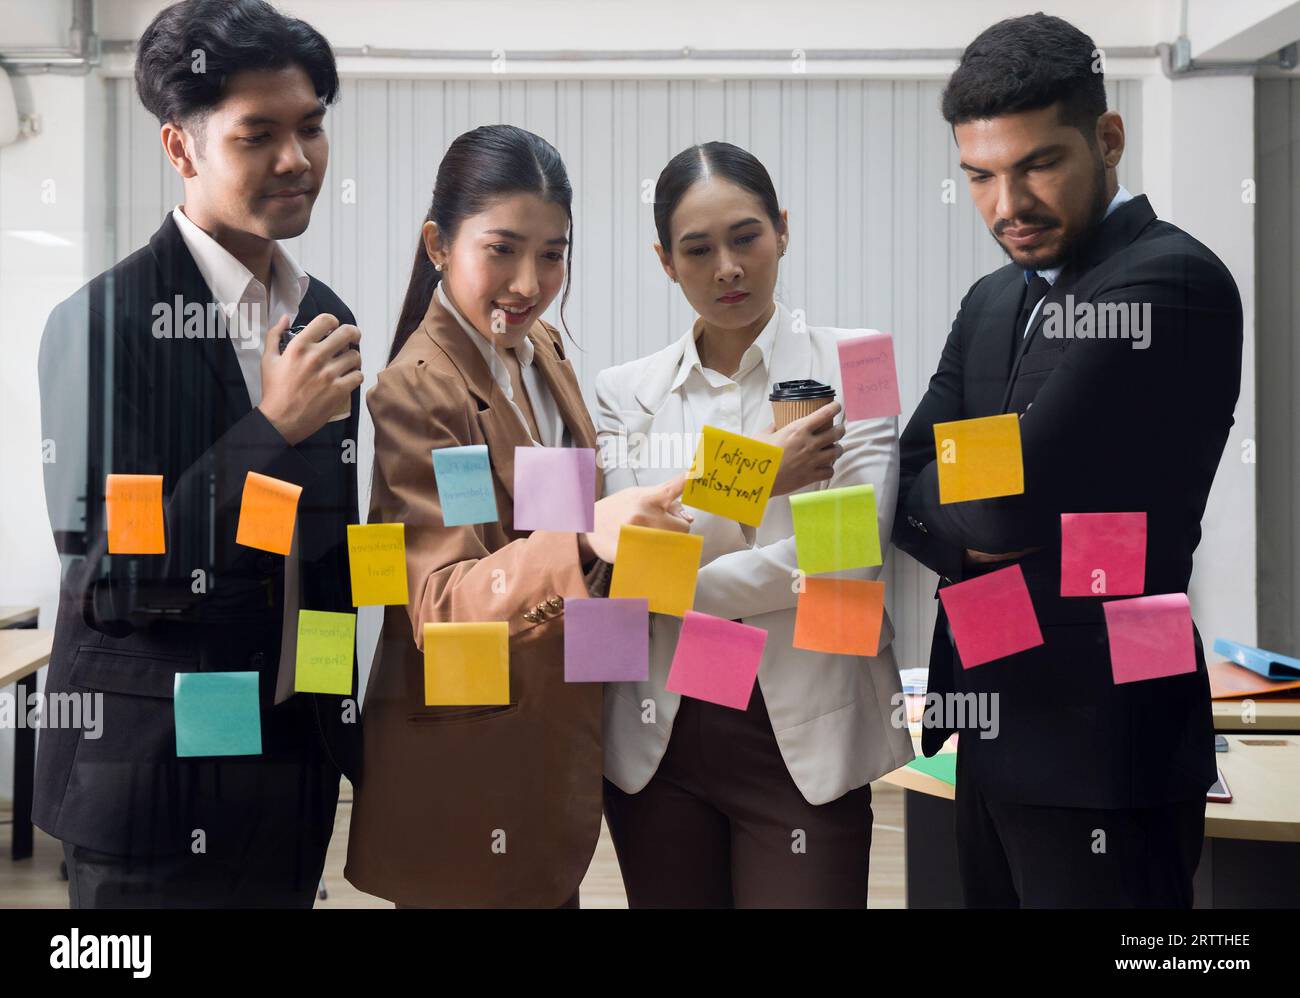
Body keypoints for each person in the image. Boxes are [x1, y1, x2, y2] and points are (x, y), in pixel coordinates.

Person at [893, 13, 1242, 907]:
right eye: (979, 176)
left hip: (1112, 734)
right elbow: (909, 486)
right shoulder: (991, 299)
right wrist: (995, 480)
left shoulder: (1167, 282)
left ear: (1108, 138)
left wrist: (986, 487)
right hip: (992, 721)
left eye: (1037, 164)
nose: (1007, 206)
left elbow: (1006, 504)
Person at [36, 0, 363, 908]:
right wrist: (271, 427)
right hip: (150, 783)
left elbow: (322, 559)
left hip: (291, 770)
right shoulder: (106, 325)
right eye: (258, 135)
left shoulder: (319, 315)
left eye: (310, 127)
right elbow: (113, 574)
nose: (297, 159)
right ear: (182, 149)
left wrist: (338, 718)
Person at [344, 124, 691, 908]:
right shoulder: (418, 390)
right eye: (501, 249)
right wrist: (590, 534)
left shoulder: (547, 356)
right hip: (468, 764)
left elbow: (556, 547)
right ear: (438, 243)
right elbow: (441, 603)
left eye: (552, 254)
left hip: (550, 743)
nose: (528, 282)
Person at [597, 141, 914, 908]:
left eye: (746, 237)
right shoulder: (621, 391)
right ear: (666, 262)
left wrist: (672, 566)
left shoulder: (860, 362)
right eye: (697, 250)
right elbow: (624, 570)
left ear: (782, 228)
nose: (727, 268)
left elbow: (847, 562)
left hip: (807, 731)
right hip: (661, 737)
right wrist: (761, 474)